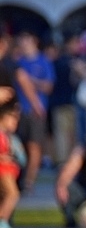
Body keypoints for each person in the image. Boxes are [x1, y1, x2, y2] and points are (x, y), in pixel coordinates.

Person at [14, 30, 55, 193]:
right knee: (19, 147)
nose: (23, 43)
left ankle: (29, 181)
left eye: (26, 39)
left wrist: (29, 82)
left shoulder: (43, 61)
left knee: (34, 147)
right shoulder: (17, 61)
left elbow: (48, 86)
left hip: (35, 111)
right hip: (18, 112)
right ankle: (19, 179)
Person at [48, 31, 82, 167]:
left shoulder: (57, 61)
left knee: (63, 134)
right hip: (68, 102)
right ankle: (66, 162)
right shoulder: (72, 62)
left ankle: (64, 161)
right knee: (67, 135)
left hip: (59, 102)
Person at [0, 102, 23, 228]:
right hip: (4, 170)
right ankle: (2, 220)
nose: (15, 122)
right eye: (13, 118)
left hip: (9, 170)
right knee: (13, 194)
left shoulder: (8, 136)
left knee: (6, 196)